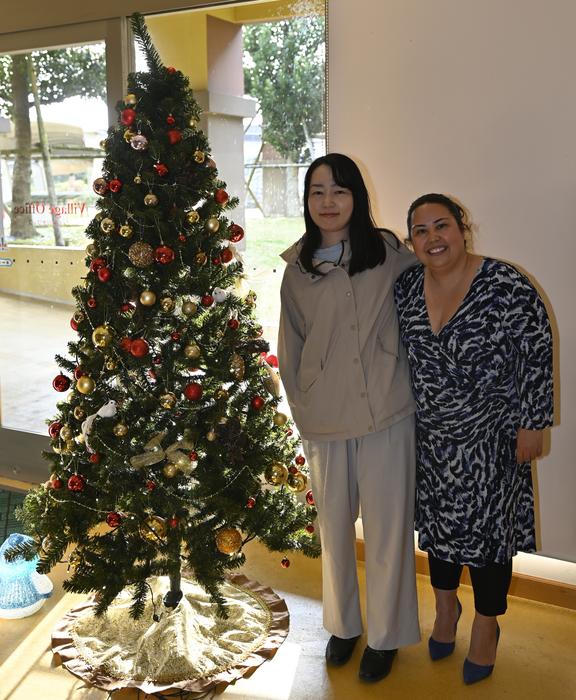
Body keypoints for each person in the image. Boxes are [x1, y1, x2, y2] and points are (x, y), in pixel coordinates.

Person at [394, 193, 554, 684]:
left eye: (441, 225)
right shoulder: (404, 288)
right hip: (432, 440)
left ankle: (487, 627)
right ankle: (446, 612)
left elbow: (536, 353)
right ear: (411, 241)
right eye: (421, 231)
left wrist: (534, 421)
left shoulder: (506, 284)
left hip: (494, 441)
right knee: (439, 536)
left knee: (490, 542)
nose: (433, 238)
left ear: (463, 228)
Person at [278, 153, 420, 683]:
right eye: (317, 191)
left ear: (356, 196)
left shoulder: (387, 252)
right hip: (325, 416)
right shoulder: (298, 267)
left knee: (388, 532)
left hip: (387, 409)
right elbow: (289, 345)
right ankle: (343, 626)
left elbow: (427, 293)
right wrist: (302, 407)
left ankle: (386, 637)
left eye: (338, 190)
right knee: (334, 529)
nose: (328, 201)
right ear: (307, 202)